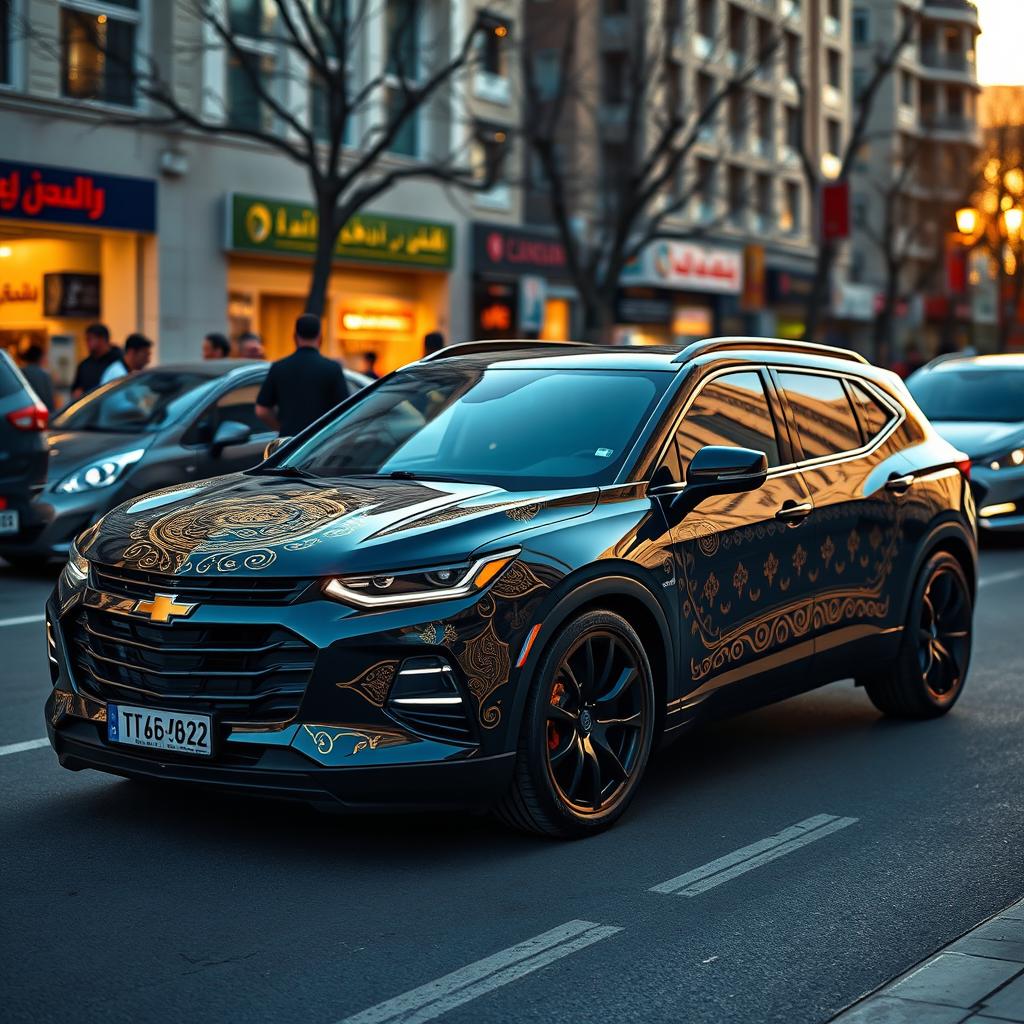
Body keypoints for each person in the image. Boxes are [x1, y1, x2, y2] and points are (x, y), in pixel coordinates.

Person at [256, 313, 349, 436]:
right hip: (320, 442)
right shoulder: (332, 368)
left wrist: (281, 427)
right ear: (320, 338)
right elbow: (345, 410)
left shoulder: (279, 367)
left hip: (289, 442)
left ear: (294, 337)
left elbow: (261, 411)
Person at [71, 323, 124, 400]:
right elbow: (76, 389)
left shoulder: (119, 361)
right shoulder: (84, 365)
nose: (87, 343)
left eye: (90, 339)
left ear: (102, 340)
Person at [19, 344, 55, 411]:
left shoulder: (20, 372)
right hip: (41, 412)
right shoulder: (44, 375)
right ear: (40, 358)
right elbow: (49, 401)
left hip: (23, 411)